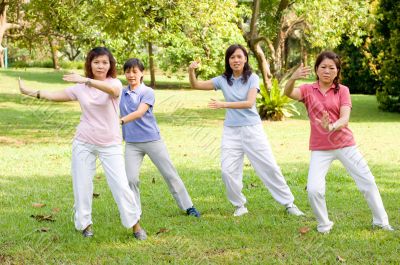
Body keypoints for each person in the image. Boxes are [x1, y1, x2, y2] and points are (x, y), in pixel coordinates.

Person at [18, 47, 147, 240]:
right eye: (96, 62)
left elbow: (112, 91)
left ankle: (135, 225)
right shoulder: (80, 87)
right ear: (90, 64)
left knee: (120, 185)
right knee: (82, 185)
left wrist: (86, 80)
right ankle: (85, 224)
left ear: (110, 64)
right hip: (84, 142)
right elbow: (55, 95)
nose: (101, 66)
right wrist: (29, 92)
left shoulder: (115, 84)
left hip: (109, 143)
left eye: (105, 62)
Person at [188, 44, 304, 217]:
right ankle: (239, 205)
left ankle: (289, 203)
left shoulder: (252, 78)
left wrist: (223, 104)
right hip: (231, 131)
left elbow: (249, 103)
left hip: (252, 129)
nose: (236, 60)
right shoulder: (222, 80)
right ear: (228, 60)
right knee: (228, 171)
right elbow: (196, 85)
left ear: (245, 59)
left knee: (268, 166)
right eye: (232, 57)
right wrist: (191, 71)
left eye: (239, 56)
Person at [284, 51, 393, 233]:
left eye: (331, 68)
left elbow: (345, 118)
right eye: (323, 67)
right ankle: (324, 224)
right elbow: (288, 93)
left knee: (368, 181)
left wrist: (331, 126)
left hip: (345, 145)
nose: (327, 71)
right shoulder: (307, 90)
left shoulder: (343, 90)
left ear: (337, 71)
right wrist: (293, 78)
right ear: (317, 69)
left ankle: (381, 222)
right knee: (313, 189)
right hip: (320, 148)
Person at [119, 58, 200, 218]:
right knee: (130, 179)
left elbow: (140, 112)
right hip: (132, 143)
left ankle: (188, 206)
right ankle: (135, 212)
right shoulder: (121, 92)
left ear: (142, 73)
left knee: (169, 174)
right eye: (128, 71)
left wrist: (120, 121)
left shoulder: (147, 92)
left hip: (152, 140)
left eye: (135, 71)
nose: (131, 75)